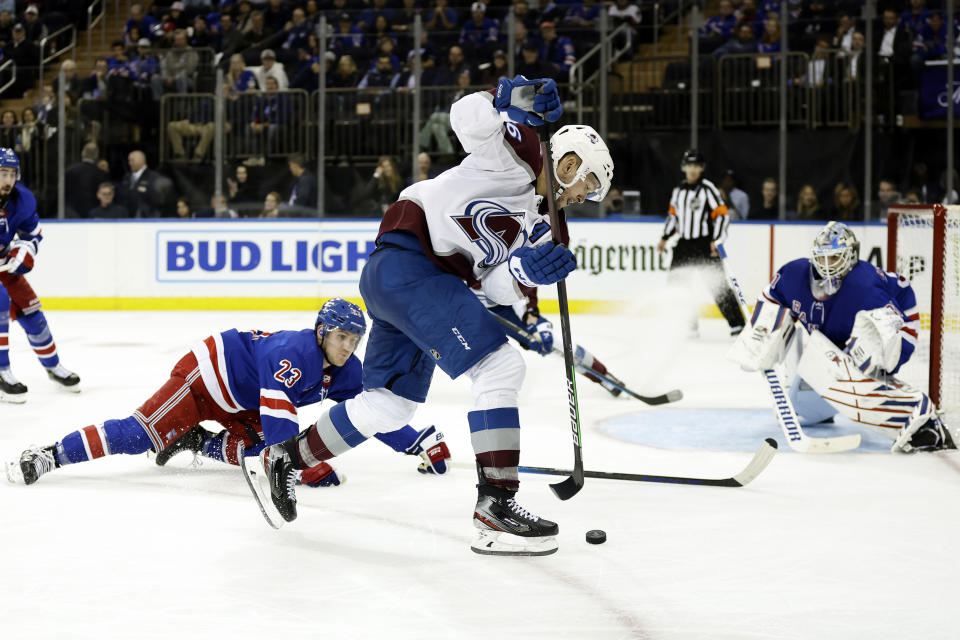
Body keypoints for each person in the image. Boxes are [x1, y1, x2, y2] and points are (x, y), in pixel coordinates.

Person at [245, 75, 608, 557]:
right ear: (568, 160)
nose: (585, 195)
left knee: (389, 405)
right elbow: (466, 117)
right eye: (588, 181)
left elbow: (496, 287)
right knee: (500, 367)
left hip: (413, 281)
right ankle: (495, 508)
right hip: (410, 265)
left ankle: (283, 459)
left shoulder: (545, 228)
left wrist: (524, 270)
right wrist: (509, 98)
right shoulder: (517, 153)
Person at [7, 298, 451, 487]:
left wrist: (416, 443)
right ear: (320, 333)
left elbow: (367, 413)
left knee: (296, 464)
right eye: (340, 338)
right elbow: (281, 418)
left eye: (354, 341)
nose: (347, 347)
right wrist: (294, 464)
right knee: (138, 435)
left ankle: (198, 441)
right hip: (204, 380)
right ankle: (51, 454)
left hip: (242, 399)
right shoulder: (295, 352)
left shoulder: (347, 369)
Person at [728, 222, 955, 453]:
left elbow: (892, 323)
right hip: (839, 331)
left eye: (834, 258)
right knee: (808, 379)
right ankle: (818, 408)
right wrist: (761, 335)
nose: (826, 267)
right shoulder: (795, 274)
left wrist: (868, 366)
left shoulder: (864, 287)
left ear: (850, 256)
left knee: (853, 374)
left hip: (895, 321)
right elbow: (771, 297)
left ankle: (922, 420)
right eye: (822, 258)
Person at [0, 148, 80, 403]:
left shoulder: (20, 200)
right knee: (0, 301)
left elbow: (32, 234)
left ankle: (53, 366)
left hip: (3, 266)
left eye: (12, 174)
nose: (8, 180)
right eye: (3, 173)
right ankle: (1, 371)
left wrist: (24, 250)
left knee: (32, 310)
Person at [656, 149, 744, 337]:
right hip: (684, 245)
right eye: (689, 165)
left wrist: (717, 239)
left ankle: (737, 324)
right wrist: (664, 238)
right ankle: (689, 324)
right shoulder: (678, 190)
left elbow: (722, 215)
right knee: (678, 285)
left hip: (705, 245)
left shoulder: (708, 188)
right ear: (684, 167)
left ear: (701, 168)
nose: (693, 169)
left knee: (717, 285)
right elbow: (673, 217)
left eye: (696, 165)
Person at [64, 142, 110, 218]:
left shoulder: (70, 170)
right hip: (93, 215)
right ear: (97, 155)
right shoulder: (100, 173)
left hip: (71, 214)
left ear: (83, 153)